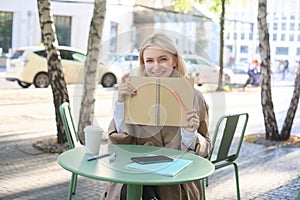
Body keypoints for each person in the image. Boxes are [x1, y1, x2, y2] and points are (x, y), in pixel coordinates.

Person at [101, 33, 211, 200]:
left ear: (174, 60)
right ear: (143, 64)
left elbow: (206, 150)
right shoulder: (133, 92)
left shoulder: (194, 97)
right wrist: (120, 105)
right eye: (149, 61)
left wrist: (190, 134)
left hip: (175, 181)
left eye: (163, 59)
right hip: (133, 173)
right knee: (136, 190)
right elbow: (118, 146)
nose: (156, 66)